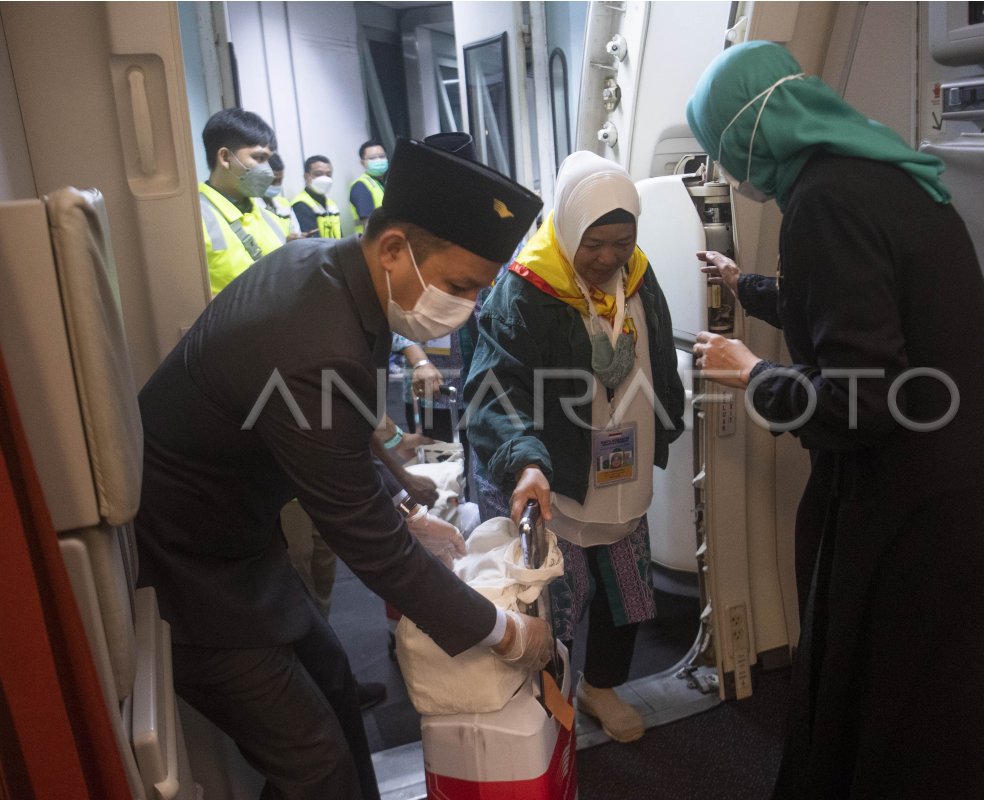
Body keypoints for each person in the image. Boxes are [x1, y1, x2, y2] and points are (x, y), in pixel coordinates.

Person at [135, 137, 549, 800]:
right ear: (393, 250)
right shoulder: (316, 342)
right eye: (459, 286)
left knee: (332, 682)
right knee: (316, 766)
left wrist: (405, 510)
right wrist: (504, 633)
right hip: (187, 571)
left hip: (238, 539)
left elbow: (336, 434)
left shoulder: (331, 273)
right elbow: (369, 547)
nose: (466, 307)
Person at [686, 41, 984, 799]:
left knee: (904, 709)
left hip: (927, 502)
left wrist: (752, 374)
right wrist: (748, 288)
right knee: (971, 704)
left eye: (722, 152)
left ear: (749, 133)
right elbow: (864, 306)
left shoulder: (820, 203)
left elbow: (859, 399)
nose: (729, 174)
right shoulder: (876, 170)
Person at [466, 151, 685, 743]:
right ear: (566, 228)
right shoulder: (525, 289)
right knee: (553, 604)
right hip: (557, 471)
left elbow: (656, 351)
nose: (610, 257)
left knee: (627, 595)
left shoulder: (639, 273)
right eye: (595, 243)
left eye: (623, 239)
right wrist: (525, 458)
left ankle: (601, 690)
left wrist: (669, 414)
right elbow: (493, 391)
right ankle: (547, 701)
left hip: (624, 467)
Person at [197, 108, 288, 295]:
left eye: (268, 160)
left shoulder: (270, 218)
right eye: (259, 158)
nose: (268, 171)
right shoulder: (192, 218)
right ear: (225, 158)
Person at [291, 155, 341, 239]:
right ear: (306, 177)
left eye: (328, 175)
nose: (325, 178)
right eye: (318, 174)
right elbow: (312, 241)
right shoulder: (301, 204)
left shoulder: (331, 204)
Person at [262, 152, 304, 240]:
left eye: (280, 180)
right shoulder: (251, 206)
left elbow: (296, 231)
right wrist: (285, 241)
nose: (277, 185)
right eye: (273, 181)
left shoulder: (284, 203)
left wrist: (299, 238)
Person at [350, 140, 388, 236]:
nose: (379, 160)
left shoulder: (381, 184)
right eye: (372, 158)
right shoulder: (361, 185)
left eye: (382, 156)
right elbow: (367, 225)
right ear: (362, 163)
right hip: (374, 244)